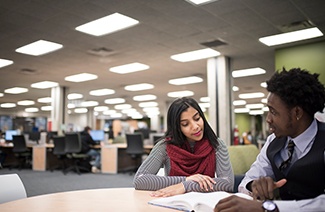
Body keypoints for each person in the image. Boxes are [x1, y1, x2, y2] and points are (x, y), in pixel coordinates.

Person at [214, 68, 325, 211]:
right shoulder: (273, 141)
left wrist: (269, 207)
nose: (268, 119)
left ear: (297, 113)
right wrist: (254, 185)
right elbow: (246, 182)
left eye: (273, 112)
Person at [133, 97, 234, 197]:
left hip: (205, 202)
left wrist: (185, 186)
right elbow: (140, 179)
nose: (195, 126)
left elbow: (227, 183)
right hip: (174, 202)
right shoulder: (164, 147)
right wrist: (185, 179)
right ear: (177, 127)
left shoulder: (217, 144)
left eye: (197, 118)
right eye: (185, 124)